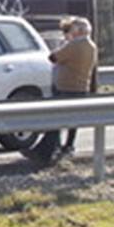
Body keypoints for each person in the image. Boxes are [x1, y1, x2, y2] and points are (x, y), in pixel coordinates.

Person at [48, 17, 98, 156]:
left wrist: (62, 44)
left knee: (55, 119)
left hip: (65, 87)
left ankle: (53, 147)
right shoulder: (91, 46)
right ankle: (69, 145)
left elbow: (53, 57)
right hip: (81, 87)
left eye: (71, 29)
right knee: (73, 121)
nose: (70, 32)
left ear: (77, 31)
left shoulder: (74, 45)